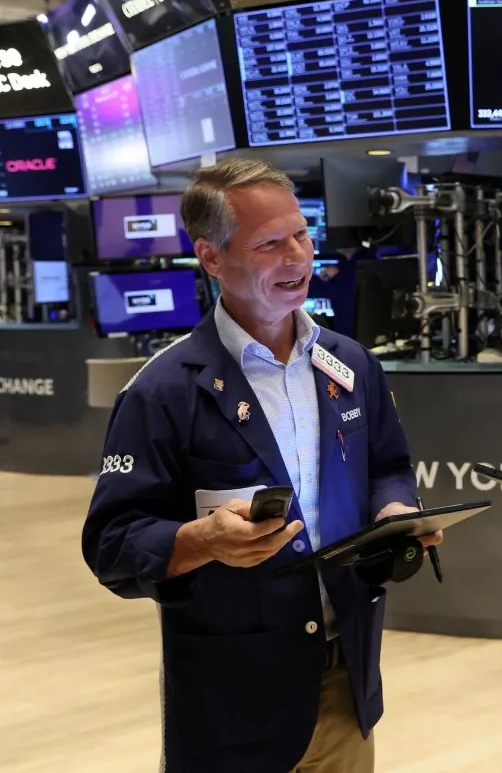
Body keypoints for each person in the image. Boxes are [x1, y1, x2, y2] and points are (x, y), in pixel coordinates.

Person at [81, 159, 442, 773]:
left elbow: (388, 463)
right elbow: (112, 545)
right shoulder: (162, 391)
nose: (297, 257)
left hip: (345, 674)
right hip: (232, 695)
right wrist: (200, 541)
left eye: (301, 234)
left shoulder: (350, 365)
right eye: (270, 243)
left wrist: (395, 508)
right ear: (213, 258)